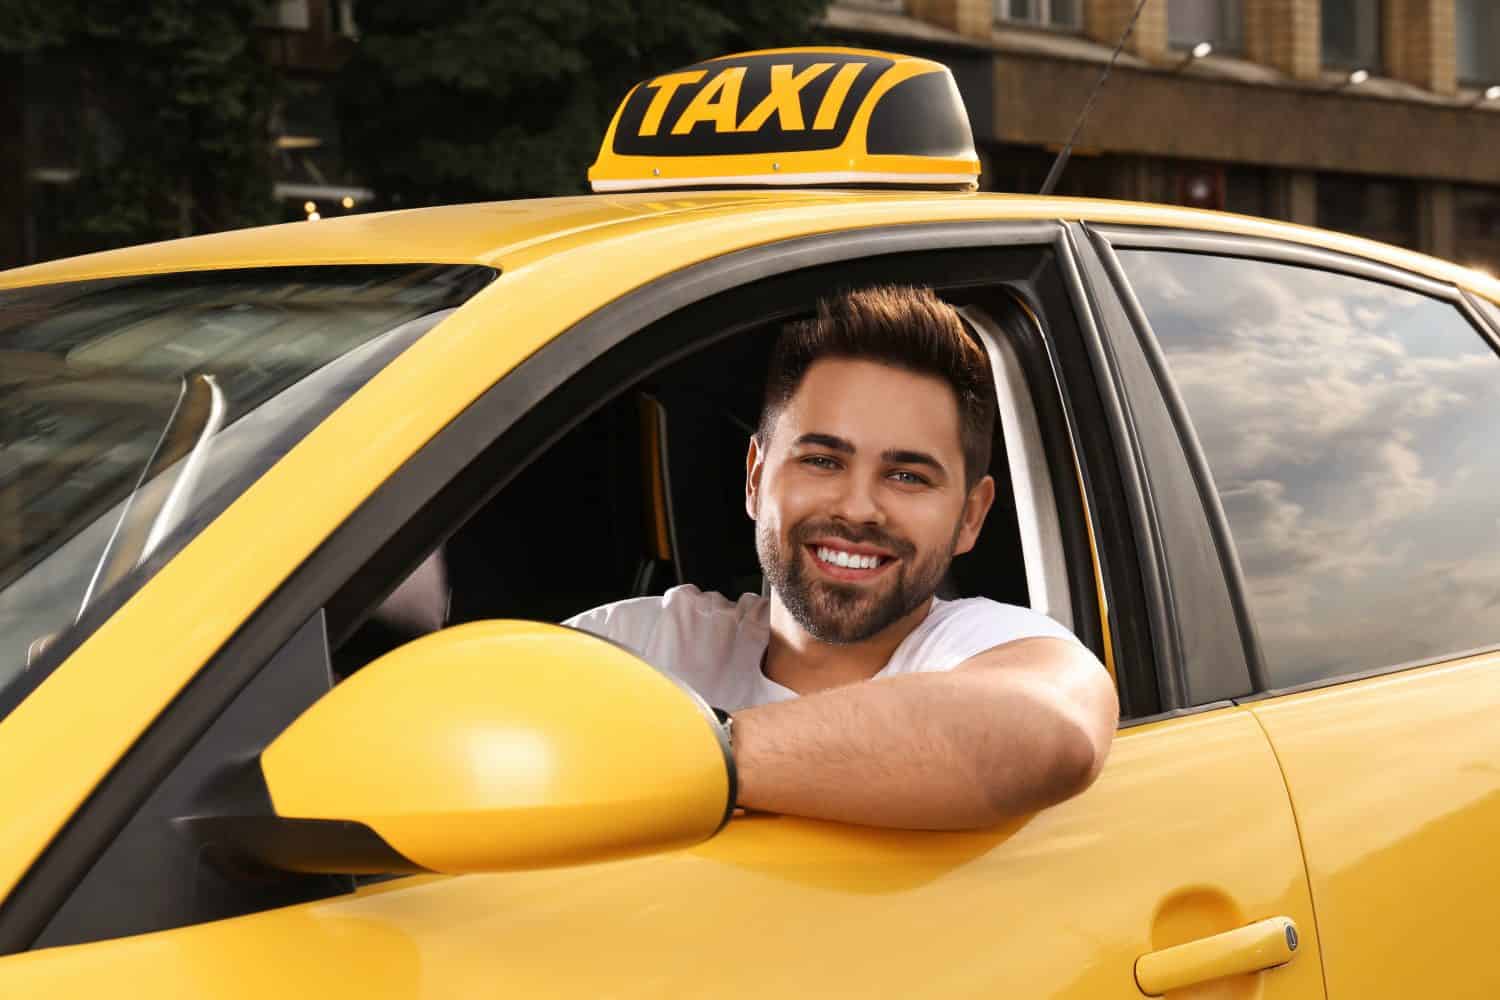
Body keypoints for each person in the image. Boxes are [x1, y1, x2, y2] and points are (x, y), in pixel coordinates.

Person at [566, 285, 1117, 830]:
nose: (858, 509)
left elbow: (1053, 734)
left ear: (971, 515)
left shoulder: (985, 645)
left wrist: (691, 757)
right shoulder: (640, 644)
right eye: (823, 461)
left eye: (907, 476)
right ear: (756, 478)